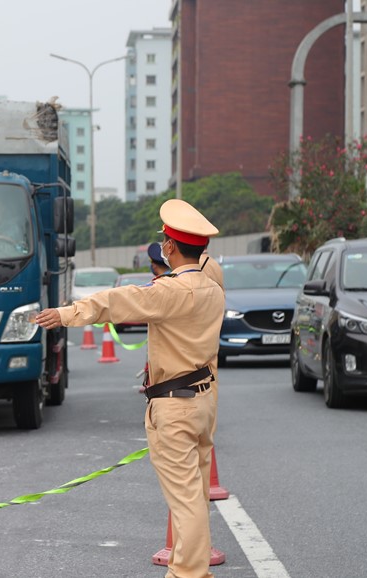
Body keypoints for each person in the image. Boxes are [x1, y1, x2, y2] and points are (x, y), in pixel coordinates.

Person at [35, 198, 225, 578]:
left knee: (185, 501)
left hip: (175, 405)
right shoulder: (212, 287)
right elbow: (206, 264)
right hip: (204, 400)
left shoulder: (172, 290)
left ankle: (189, 574)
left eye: (166, 243)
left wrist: (65, 314)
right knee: (196, 496)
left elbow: (117, 302)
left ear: (169, 247)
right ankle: (190, 570)